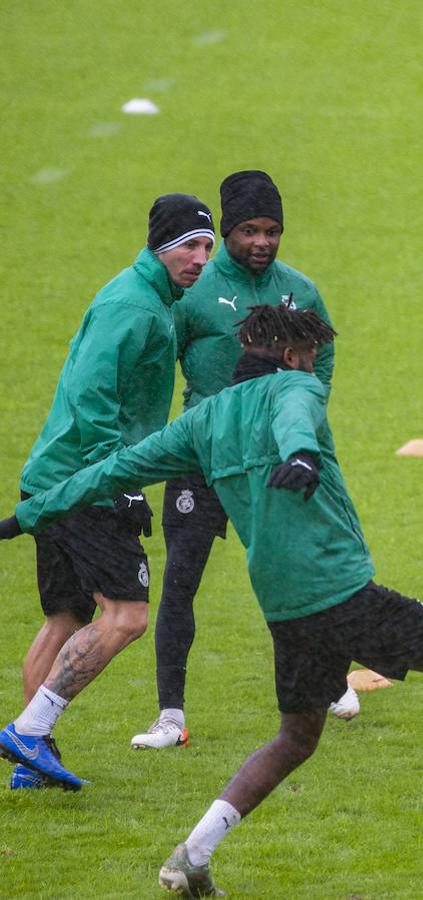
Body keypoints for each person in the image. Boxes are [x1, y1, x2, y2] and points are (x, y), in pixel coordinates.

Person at [0, 306, 423, 895]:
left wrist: (26, 515)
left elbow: (111, 470)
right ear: (292, 355)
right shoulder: (298, 388)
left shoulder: (202, 421)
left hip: (286, 610)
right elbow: (295, 411)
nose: (317, 369)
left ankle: (192, 855)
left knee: (297, 736)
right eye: (313, 357)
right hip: (342, 594)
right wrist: (298, 450)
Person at [131, 170, 351, 753]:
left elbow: (322, 364)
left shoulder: (299, 290)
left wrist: (303, 420)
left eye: (272, 230)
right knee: (181, 582)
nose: (261, 241)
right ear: (226, 231)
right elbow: (158, 366)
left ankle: (329, 681)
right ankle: (170, 716)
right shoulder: (193, 294)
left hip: (272, 462)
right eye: (249, 230)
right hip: (203, 457)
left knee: (298, 574)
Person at [0, 194, 215, 791]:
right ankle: (28, 733)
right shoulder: (134, 306)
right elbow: (91, 393)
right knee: (125, 617)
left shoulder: (153, 299)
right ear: (160, 246)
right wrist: (114, 480)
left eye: (206, 247)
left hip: (54, 479)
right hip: (84, 483)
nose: (199, 259)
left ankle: (29, 764)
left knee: (64, 618)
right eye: (188, 246)